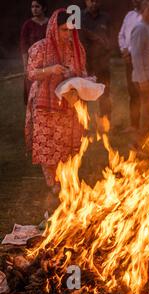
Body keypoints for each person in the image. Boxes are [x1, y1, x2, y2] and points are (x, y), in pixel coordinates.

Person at [25, 9, 87, 194]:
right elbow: (31, 73)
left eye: (70, 30)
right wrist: (51, 70)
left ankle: (67, 177)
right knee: (48, 144)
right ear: (53, 28)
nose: (68, 34)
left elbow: (81, 71)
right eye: (63, 30)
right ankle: (53, 183)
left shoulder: (76, 48)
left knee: (67, 143)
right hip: (45, 104)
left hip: (68, 102)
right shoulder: (40, 48)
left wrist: (79, 76)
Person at [118, 0, 149, 132]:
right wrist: (142, 79)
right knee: (148, 112)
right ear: (143, 11)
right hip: (146, 78)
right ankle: (142, 143)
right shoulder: (140, 28)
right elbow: (136, 56)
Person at [80, 0, 113, 124]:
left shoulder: (106, 18)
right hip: (85, 62)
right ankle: (81, 123)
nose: (93, 3)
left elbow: (110, 38)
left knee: (104, 92)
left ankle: (106, 122)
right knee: (82, 93)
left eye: (96, 1)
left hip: (102, 62)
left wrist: (107, 51)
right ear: (86, 1)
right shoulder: (80, 17)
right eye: (90, 1)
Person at [20, 0, 49, 105]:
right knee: (33, 94)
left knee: (46, 94)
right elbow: (24, 46)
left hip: (48, 63)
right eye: (32, 7)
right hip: (33, 64)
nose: (34, 9)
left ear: (44, 8)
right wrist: (25, 66)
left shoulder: (50, 23)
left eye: (37, 6)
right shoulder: (27, 25)